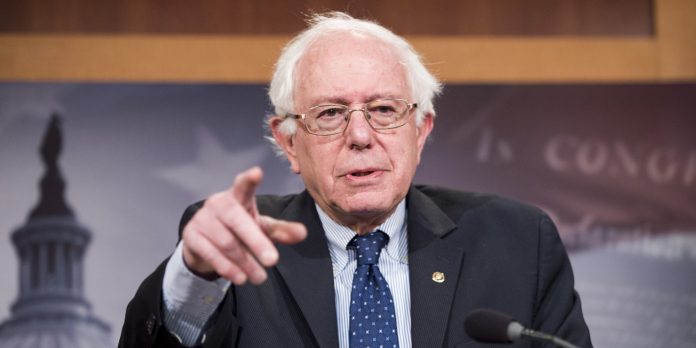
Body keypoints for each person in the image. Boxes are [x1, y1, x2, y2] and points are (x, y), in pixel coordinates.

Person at [119, 12, 592, 348]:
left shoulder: (517, 242)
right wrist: (193, 277)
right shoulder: (237, 247)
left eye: (385, 109)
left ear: (421, 130)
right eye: (330, 114)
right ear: (288, 143)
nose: (360, 136)